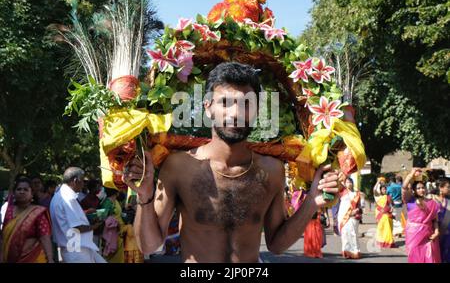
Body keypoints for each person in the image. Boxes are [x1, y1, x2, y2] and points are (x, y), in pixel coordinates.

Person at [123, 62, 340, 263]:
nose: (235, 113)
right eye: (225, 102)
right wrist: (144, 197)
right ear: (208, 108)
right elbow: (148, 244)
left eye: (246, 104)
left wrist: (311, 202)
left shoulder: (272, 171)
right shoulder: (179, 167)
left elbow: (276, 245)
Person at [50, 167, 105, 263]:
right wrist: (94, 227)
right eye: (83, 181)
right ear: (75, 181)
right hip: (77, 251)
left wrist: (86, 212)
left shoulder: (61, 195)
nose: (84, 184)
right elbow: (76, 227)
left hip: (76, 249)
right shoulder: (68, 198)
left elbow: (67, 219)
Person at [1, 177, 53, 263]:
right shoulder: (9, 210)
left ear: (32, 193)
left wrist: (50, 258)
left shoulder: (37, 212)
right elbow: (3, 237)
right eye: (19, 189)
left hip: (32, 258)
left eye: (25, 189)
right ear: (14, 193)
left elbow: (44, 237)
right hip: (10, 258)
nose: (22, 192)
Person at [402, 168, 441, 263]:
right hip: (413, 235)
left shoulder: (432, 202)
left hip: (428, 234)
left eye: (423, 187)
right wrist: (411, 174)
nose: (421, 190)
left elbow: (435, 220)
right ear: (414, 190)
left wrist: (436, 232)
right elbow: (404, 187)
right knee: (415, 258)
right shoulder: (409, 200)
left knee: (429, 257)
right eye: (418, 188)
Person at [337, 178, 362, 259]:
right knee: (345, 234)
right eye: (347, 182)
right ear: (345, 183)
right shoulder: (342, 191)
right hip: (343, 215)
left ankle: (355, 251)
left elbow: (360, 205)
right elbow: (337, 182)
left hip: (353, 216)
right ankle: (346, 251)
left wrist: (357, 210)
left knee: (353, 233)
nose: (349, 183)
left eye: (350, 181)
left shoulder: (357, 193)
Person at [100, 187, 125, 263]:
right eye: (118, 191)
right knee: (112, 248)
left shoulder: (116, 201)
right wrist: (114, 223)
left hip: (119, 228)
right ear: (115, 192)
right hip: (112, 229)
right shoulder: (107, 202)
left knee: (119, 248)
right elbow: (103, 216)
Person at [430, 178, 450, 263]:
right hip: (434, 233)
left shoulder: (448, 201)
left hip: (447, 234)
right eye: (448, 187)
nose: (449, 189)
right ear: (440, 188)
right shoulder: (430, 199)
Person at [373, 181, 395, 248]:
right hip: (381, 215)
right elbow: (374, 190)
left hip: (388, 215)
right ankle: (382, 242)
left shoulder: (388, 197)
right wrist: (378, 182)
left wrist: (392, 209)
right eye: (383, 189)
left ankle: (388, 242)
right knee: (381, 229)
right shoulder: (378, 197)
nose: (384, 190)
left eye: (385, 189)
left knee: (388, 229)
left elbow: (392, 205)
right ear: (380, 190)